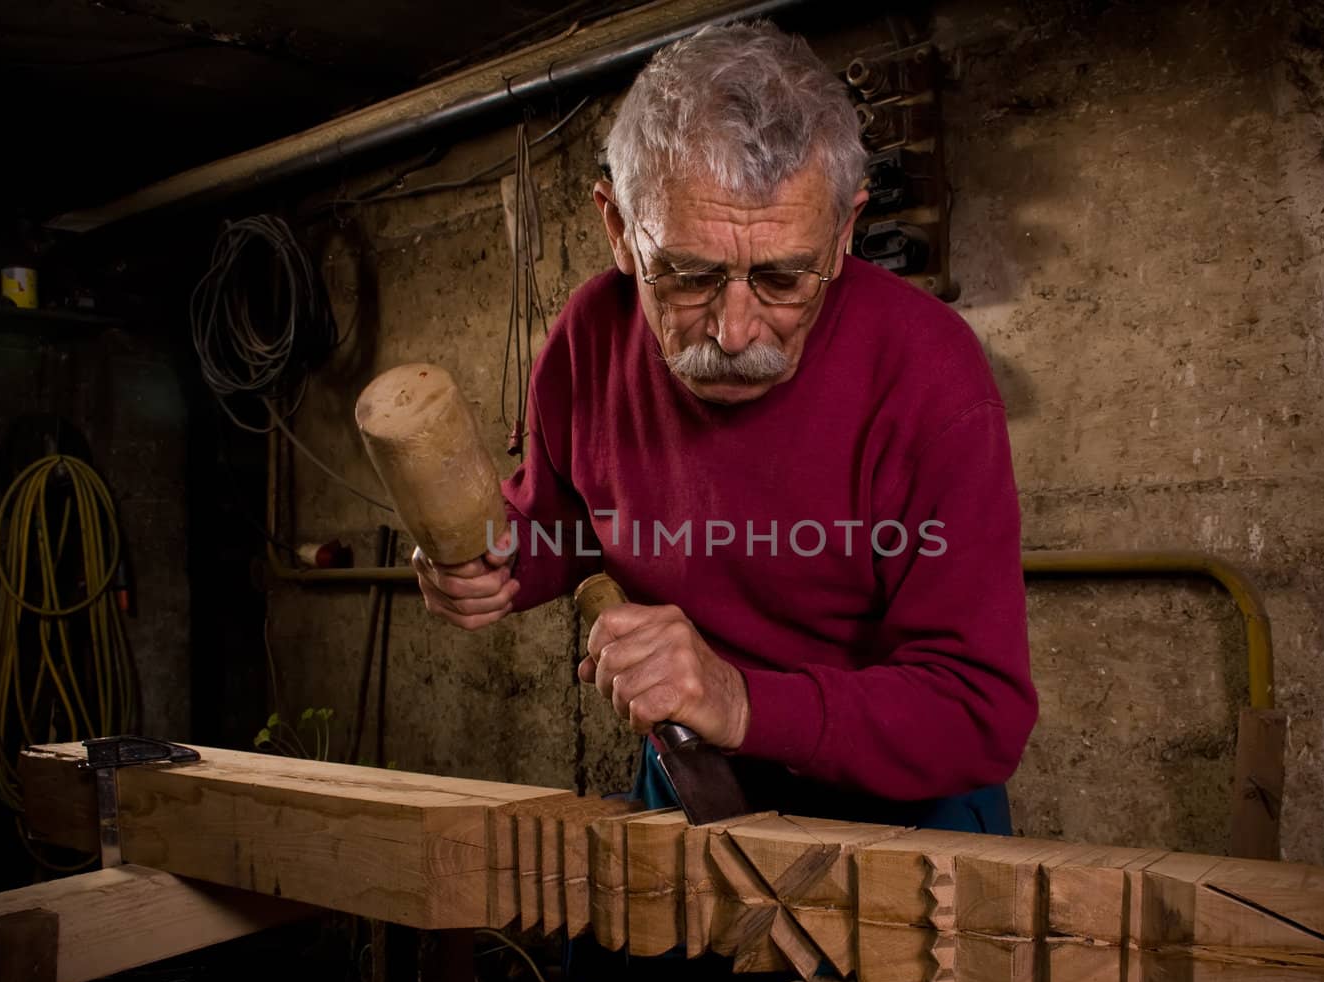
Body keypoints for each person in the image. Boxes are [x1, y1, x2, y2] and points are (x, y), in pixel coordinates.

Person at [414, 20, 1036, 834]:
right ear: (619, 229)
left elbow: (977, 710)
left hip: (904, 807)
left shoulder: (930, 377)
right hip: (692, 774)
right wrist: (490, 560)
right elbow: (559, 523)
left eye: (782, 277)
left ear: (847, 230)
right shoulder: (586, 341)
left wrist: (740, 698)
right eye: (690, 275)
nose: (736, 331)